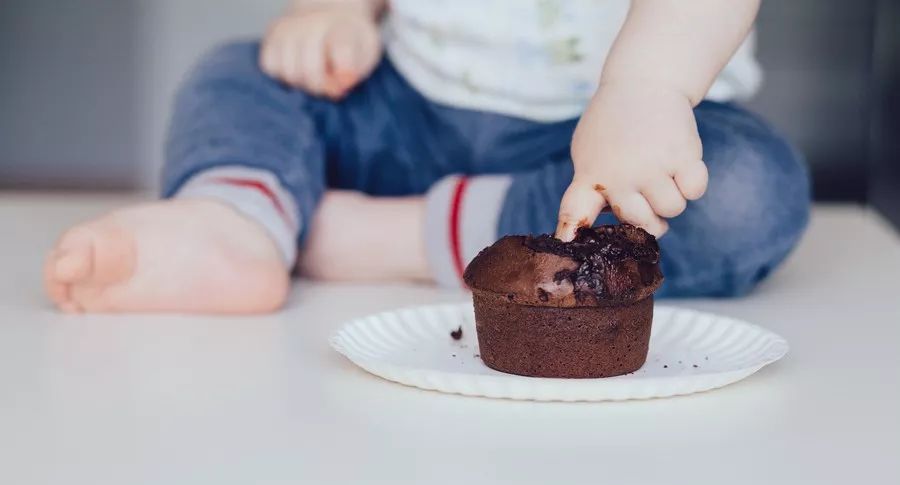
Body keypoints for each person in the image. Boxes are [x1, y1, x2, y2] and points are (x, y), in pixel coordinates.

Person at [43, 0, 810, 314]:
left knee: (747, 190)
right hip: (406, 112)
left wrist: (648, 87)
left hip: (597, 156)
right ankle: (232, 217)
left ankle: (382, 236)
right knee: (243, 73)